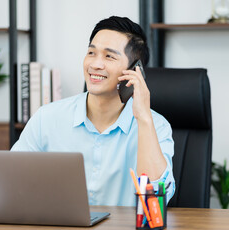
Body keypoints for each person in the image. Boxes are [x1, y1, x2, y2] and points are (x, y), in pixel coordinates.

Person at [11, 16, 175, 206]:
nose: (95, 64)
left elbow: (154, 202)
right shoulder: (47, 118)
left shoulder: (156, 126)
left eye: (109, 56)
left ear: (135, 71)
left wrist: (144, 118)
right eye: (91, 52)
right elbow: (12, 181)